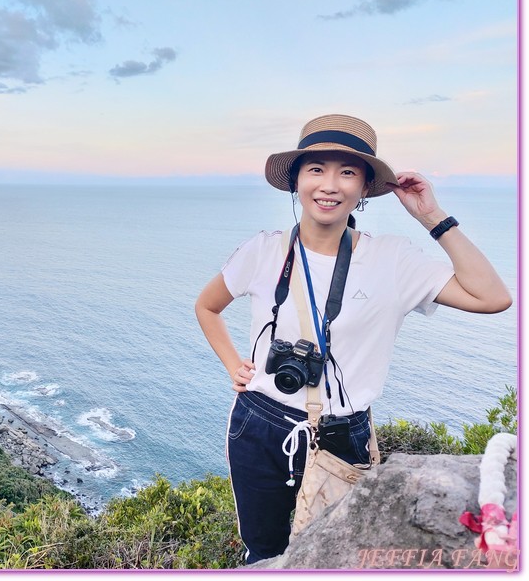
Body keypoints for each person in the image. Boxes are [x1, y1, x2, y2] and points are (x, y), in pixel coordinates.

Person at [194, 114, 512, 565]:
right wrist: (233, 364)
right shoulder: (263, 250)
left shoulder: (392, 260)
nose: (329, 184)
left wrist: (432, 217)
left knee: (336, 555)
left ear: (365, 188)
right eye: (316, 169)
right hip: (260, 424)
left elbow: (493, 297)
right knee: (262, 551)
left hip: (343, 431)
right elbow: (206, 306)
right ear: (296, 181)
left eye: (347, 172)